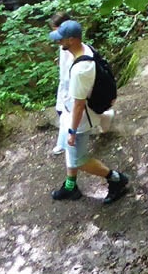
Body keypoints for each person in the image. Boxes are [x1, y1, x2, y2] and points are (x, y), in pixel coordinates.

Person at [48, 17, 130, 205]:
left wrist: (72, 131)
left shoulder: (81, 70)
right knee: (72, 152)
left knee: (79, 160)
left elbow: (79, 105)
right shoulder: (84, 49)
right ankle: (70, 187)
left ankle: (117, 179)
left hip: (82, 119)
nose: (57, 41)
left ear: (72, 40)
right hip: (75, 112)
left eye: (61, 38)